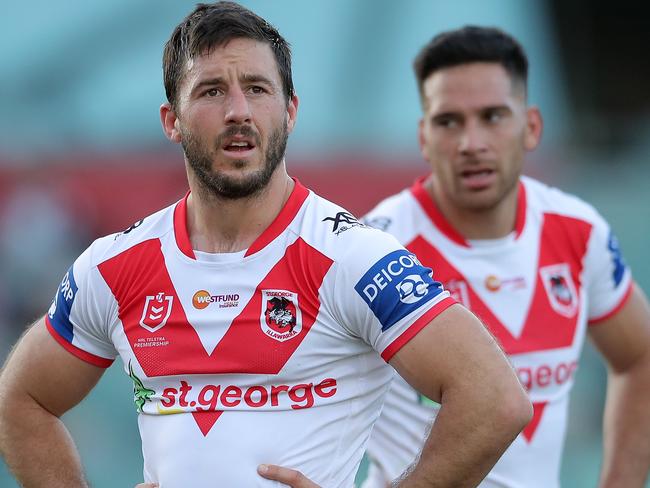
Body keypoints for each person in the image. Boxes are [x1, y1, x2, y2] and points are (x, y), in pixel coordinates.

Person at [0, 5, 532, 488]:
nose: (238, 110)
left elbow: (494, 400)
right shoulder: (112, 266)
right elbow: (20, 401)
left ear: (291, 111)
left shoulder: (352, 257)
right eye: (211, 91)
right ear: (171, 121)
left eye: (257, 88)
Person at [356, 26, 650, 488]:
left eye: (492, 116)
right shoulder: (376, 247)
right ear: (423, 137)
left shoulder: (579, 232)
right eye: (449, 121)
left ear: (531, 127)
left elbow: (639, 355)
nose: (472, 142)